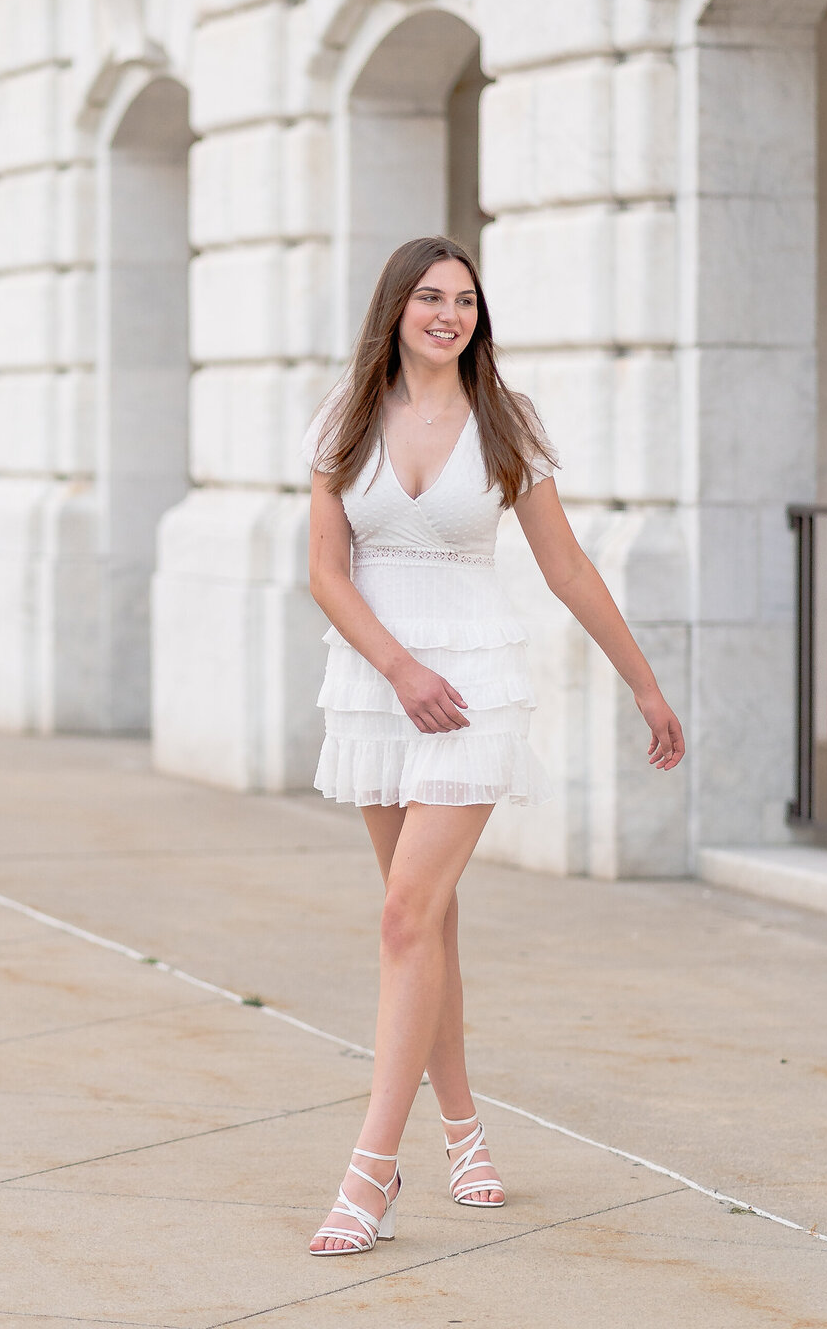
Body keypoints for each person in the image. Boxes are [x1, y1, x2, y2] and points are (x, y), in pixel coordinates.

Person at [305, 235, 685, 1256]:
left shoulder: (507, 423)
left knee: (402, 916)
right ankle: (464, 1131)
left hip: (475, 687)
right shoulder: (345, 418)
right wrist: (397, 671)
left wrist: (646, 686)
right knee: (423, 925)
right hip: (384, 687)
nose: (448, 314)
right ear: (395, 308)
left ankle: (369, 1174)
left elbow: (565, 568)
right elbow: (327, 574)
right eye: (430, 297)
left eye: (464, 300)